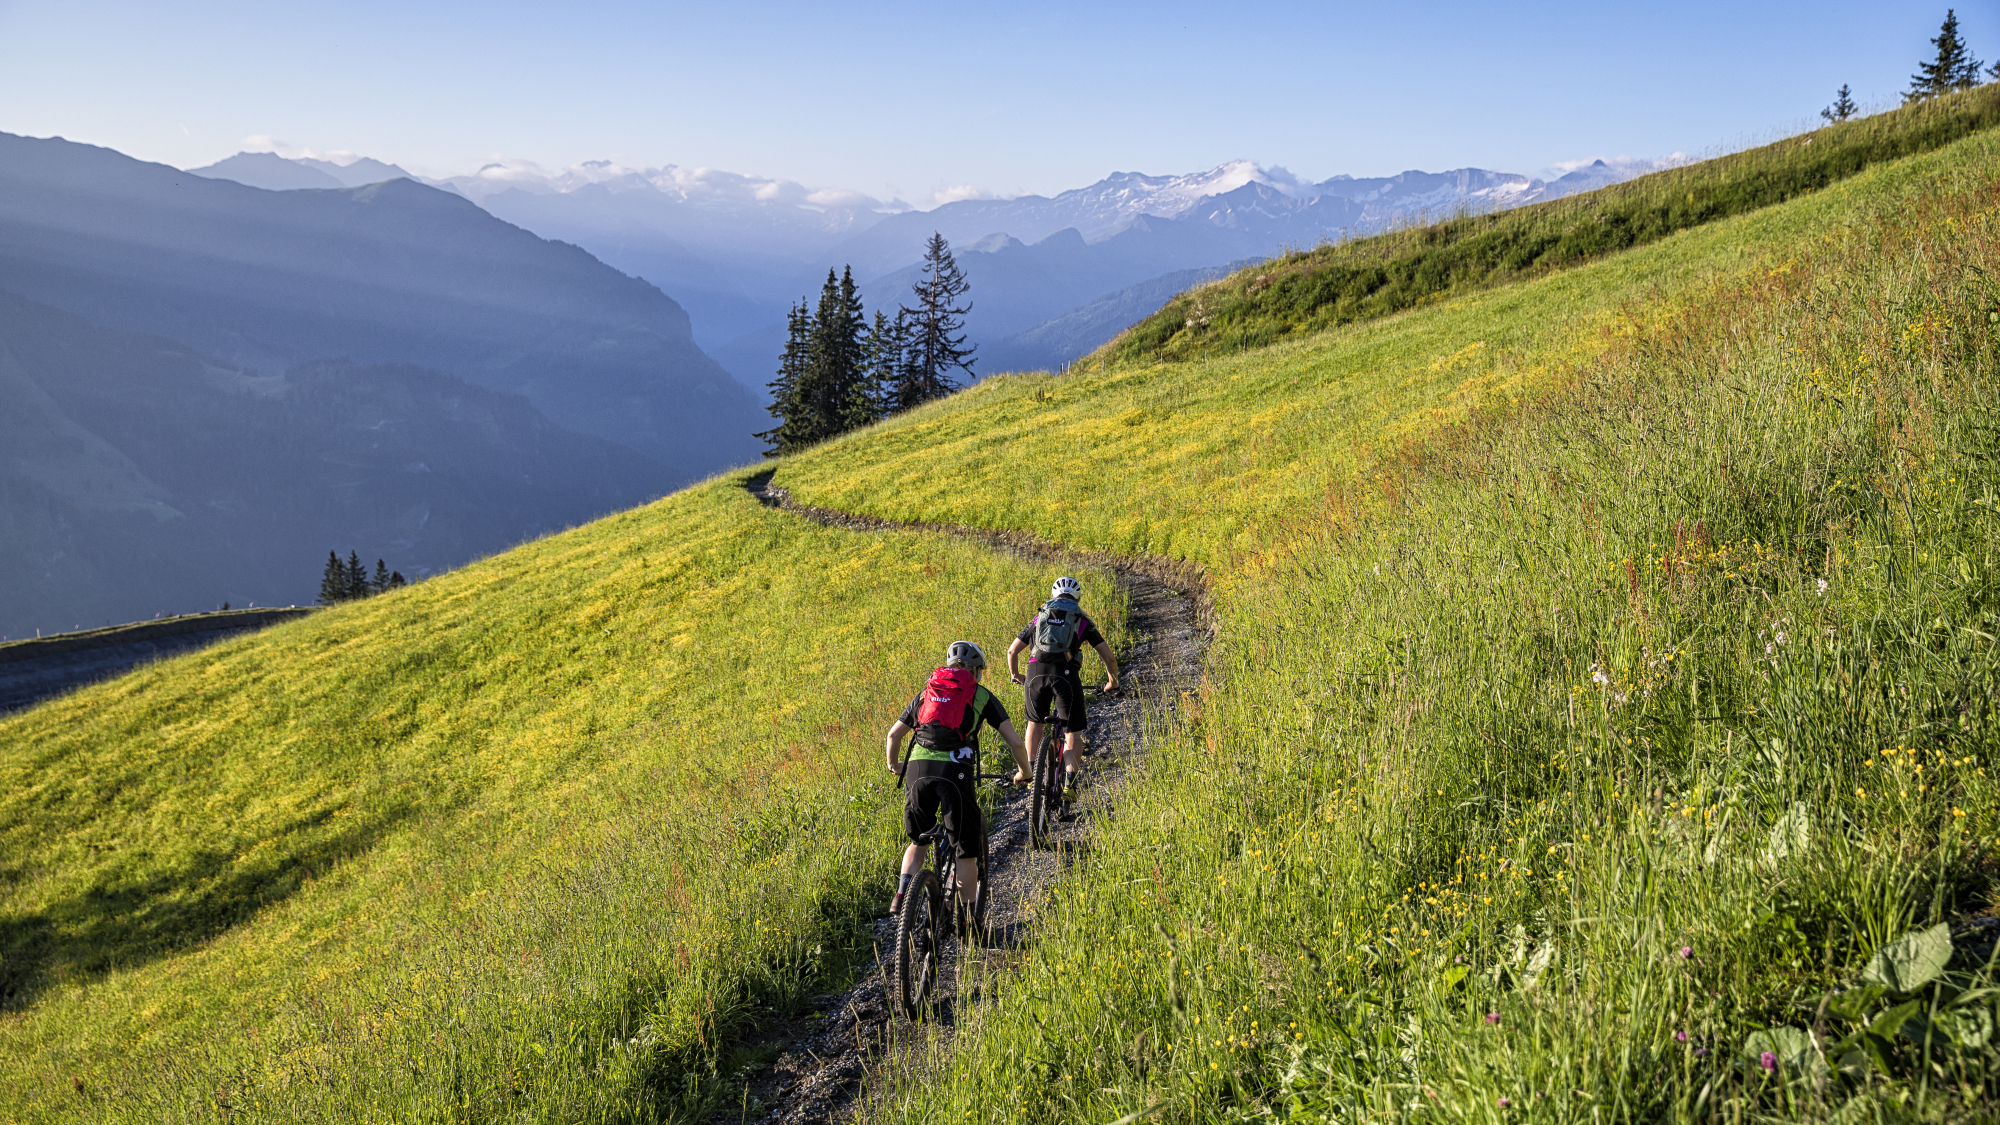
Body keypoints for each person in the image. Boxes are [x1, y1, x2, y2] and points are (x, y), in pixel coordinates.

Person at [885, 640, 1027, 914]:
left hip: (917, 769)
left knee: (919, 840)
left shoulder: (927, 693)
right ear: (976, 672)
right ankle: (967, 921)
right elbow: (1016, 743)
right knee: (965, 851)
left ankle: (901, 896)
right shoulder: (982, 696)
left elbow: (893, 736)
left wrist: (895, 765)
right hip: (955, 771)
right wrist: (1024, 772)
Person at [1006, 576, 1119, 795]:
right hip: (1066, 677)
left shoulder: (1039, 617)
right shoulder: (1081, 619)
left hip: (1035, 674)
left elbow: (1012, 651)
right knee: (1072, 734)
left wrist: (1016, 675)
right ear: (1077, 597)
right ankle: (1069, 783)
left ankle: (1031, 775)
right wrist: (1112, 682)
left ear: (1053, 596)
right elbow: (1109, 658)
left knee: (1034, 724)